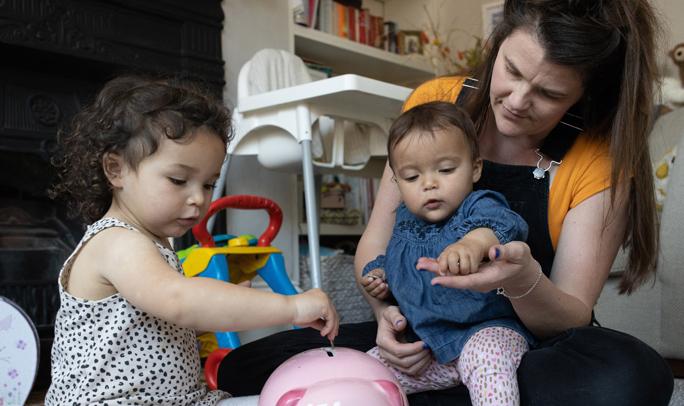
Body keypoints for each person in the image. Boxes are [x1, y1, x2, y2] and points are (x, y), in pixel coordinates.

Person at [217, 1, 674, 404]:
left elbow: (570, 314)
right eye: (511, 71)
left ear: (583, 95)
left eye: (549, 94)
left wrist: (522, 280)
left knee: (629, 379)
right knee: (249, 365)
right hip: (422, 339)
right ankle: (433, 386)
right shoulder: (434, 103)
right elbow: (373, 246)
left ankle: (397, 390)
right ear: (496, 46)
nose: (517, 101)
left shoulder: (596, 158)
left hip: (523, 344)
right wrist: (385, 319)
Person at [45, 75, 339, 405]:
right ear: (116, 170)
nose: (198, 199)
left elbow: (155, 324)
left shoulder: (150, 243)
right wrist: (292, 306)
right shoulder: (116, 242)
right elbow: (179, 301)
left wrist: (220, 309)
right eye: (179, 179)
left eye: (209, 184)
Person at [363, 101, 533, 405]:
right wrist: (379, 277)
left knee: (488, 360)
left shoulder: (478, 205)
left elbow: (498, 226)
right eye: (412, 177)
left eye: (445, 170)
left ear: (475, 168)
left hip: (485, 333)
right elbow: (396, 262)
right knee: (365, 370)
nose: (429, 184)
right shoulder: (404, 221)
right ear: (397, 183)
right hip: (424, 347)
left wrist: (473, 244)